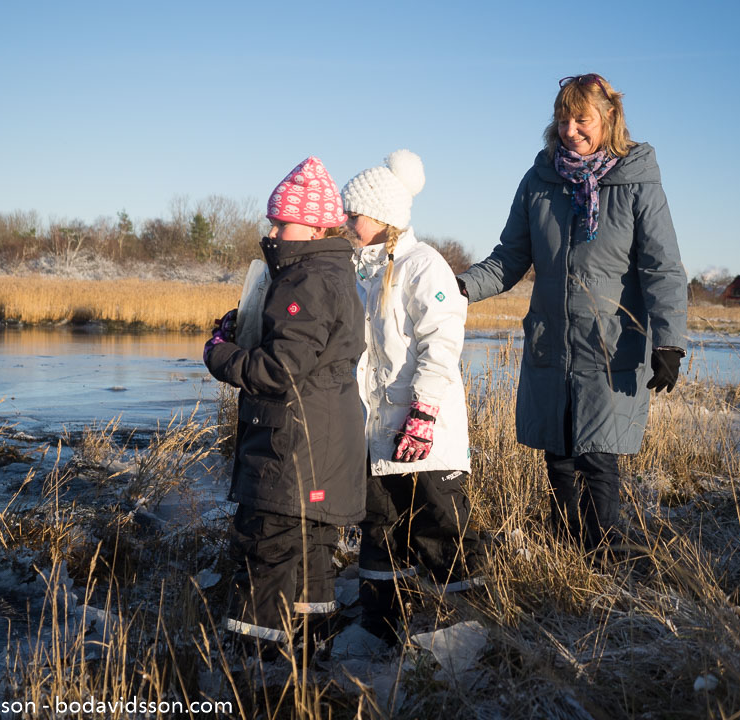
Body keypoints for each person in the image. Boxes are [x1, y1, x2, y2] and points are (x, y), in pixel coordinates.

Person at [456, 74, 687, 554]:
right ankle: (566, 551)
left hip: (609, 346)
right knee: (558, 455)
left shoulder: (637, 182)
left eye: (582, 118)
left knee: (598, 458)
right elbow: (509, 258)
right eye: (563, 119)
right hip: (552, 343)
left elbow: (661, 267)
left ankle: (603, 557)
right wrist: (456, 288)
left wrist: (669, 341)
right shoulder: (540, 180)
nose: (570, 129)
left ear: (608, 118)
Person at [203, 156, 366, 659]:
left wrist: (219, 354)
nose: (271, 232)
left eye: (282, 222)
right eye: (272, 221)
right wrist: (246, 327)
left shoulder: (307, 279)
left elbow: (280, 370)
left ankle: (253, 675)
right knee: (310, 562)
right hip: (322, 449)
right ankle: (309, 667)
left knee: (266, 556)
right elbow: (302, 353)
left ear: (316, 227)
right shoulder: (330, 272)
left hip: (291, 452)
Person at [343, 150, 483, 645]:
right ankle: (380, 629)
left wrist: (423, 413)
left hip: (424, 432)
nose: (347, 222)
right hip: (378, 432)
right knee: (380, 529)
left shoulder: (423, 266)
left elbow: (441, 343)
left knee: (439, 526)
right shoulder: (361, 272)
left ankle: (467, 628)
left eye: (354, 214)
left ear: (382, 216)